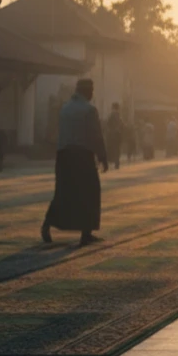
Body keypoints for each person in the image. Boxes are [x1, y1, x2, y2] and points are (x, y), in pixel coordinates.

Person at [41, 79, 108, 247]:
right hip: (82, 156)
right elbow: (96, 136)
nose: (92, 93)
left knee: (63, 192)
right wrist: (103, 156)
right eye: (91, 90)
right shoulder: (89, 110)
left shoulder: (65, 108)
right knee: (89, 193)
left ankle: (47, 224)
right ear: (87, 91)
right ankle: (86, 233)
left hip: (63, 155)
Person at [106, 103, 124, 170]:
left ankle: (111, 161)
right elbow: (122, 125)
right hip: (118, 134)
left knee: (111, 147)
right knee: (117, 148)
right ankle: (117, 162)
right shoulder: (119, 116)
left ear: (113, 107)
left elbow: (108, 124)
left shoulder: (111, 115)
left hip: (112, 134)